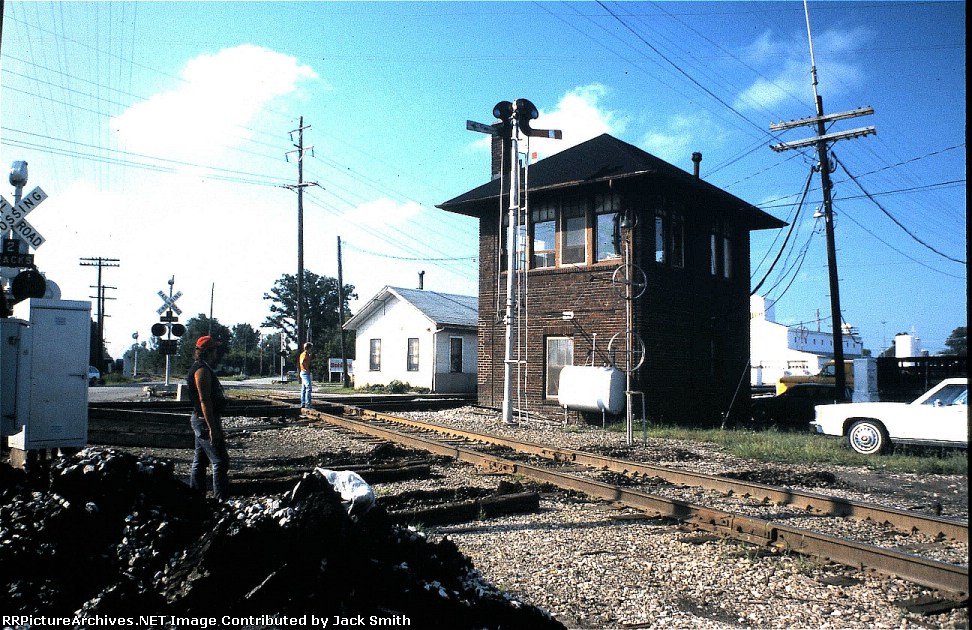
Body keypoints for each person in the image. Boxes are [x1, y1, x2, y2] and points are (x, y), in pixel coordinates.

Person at [186, 335, 229, 500]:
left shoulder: (201, 367)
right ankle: (221, 501)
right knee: (220, 461)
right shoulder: (201, 370)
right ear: (208, 352)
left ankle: (195, 498)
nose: (216, 354)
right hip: (205, 420)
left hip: (201, 418)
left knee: (200, 461)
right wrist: (212, 428)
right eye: (214, 350)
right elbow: (205, 400)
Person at [299, 341, 314, 408]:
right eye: (311, 348)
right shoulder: (304, 355)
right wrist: (306, 369)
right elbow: (302, 362)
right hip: (304, 373)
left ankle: (303, 403)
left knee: (304, 388)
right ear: (308, 348)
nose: (311, 349)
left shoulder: (307, 355)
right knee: (309, 387)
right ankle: (307, 404)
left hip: (305, 372)